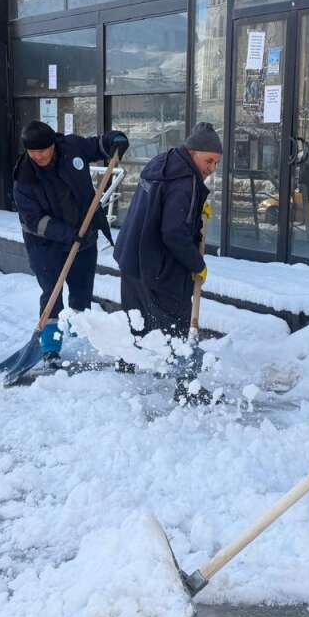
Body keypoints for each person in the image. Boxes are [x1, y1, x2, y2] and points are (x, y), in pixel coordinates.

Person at [114, 123, 222, 405]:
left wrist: (196, 213)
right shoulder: (185, 181)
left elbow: (164, 211)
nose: (212, 168)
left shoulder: (163, 163)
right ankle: (187, 386)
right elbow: (173, 233)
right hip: (158, 264)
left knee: (139, 316)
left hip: (133, 256)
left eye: (216, 162)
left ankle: (129, 363)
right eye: (208, 160)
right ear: (193, 152)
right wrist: (196, 263)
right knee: (177, 323)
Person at [13, 121, 129, 362]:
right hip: (45, 245)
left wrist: (115, 140)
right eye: (33, 152)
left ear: (53, 144)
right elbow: (34, 221)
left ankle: (78, 337)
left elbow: (98, 145)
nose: (39, 156)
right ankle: (50, 347)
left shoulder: (71, 148)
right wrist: (69, 234)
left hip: (84, 238)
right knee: (52, 293)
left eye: (43, 150)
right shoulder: (24, 178)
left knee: (81, 290)